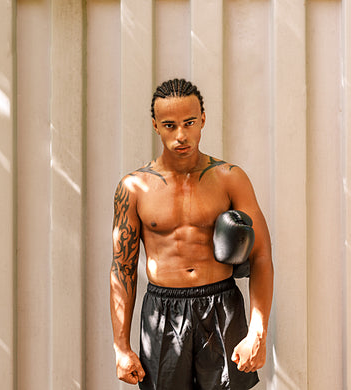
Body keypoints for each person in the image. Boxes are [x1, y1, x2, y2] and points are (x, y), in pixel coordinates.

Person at [110, 78, 274, 390]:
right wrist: (121, 347)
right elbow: (122, 268)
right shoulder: (133, 187)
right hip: (162, 311)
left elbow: (261, 255)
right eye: (170, 125)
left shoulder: (229, 178)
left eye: (189, 123)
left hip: (221, 305)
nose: (181, 135)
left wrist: (257, 331)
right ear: (156, 126)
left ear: (202, 120)